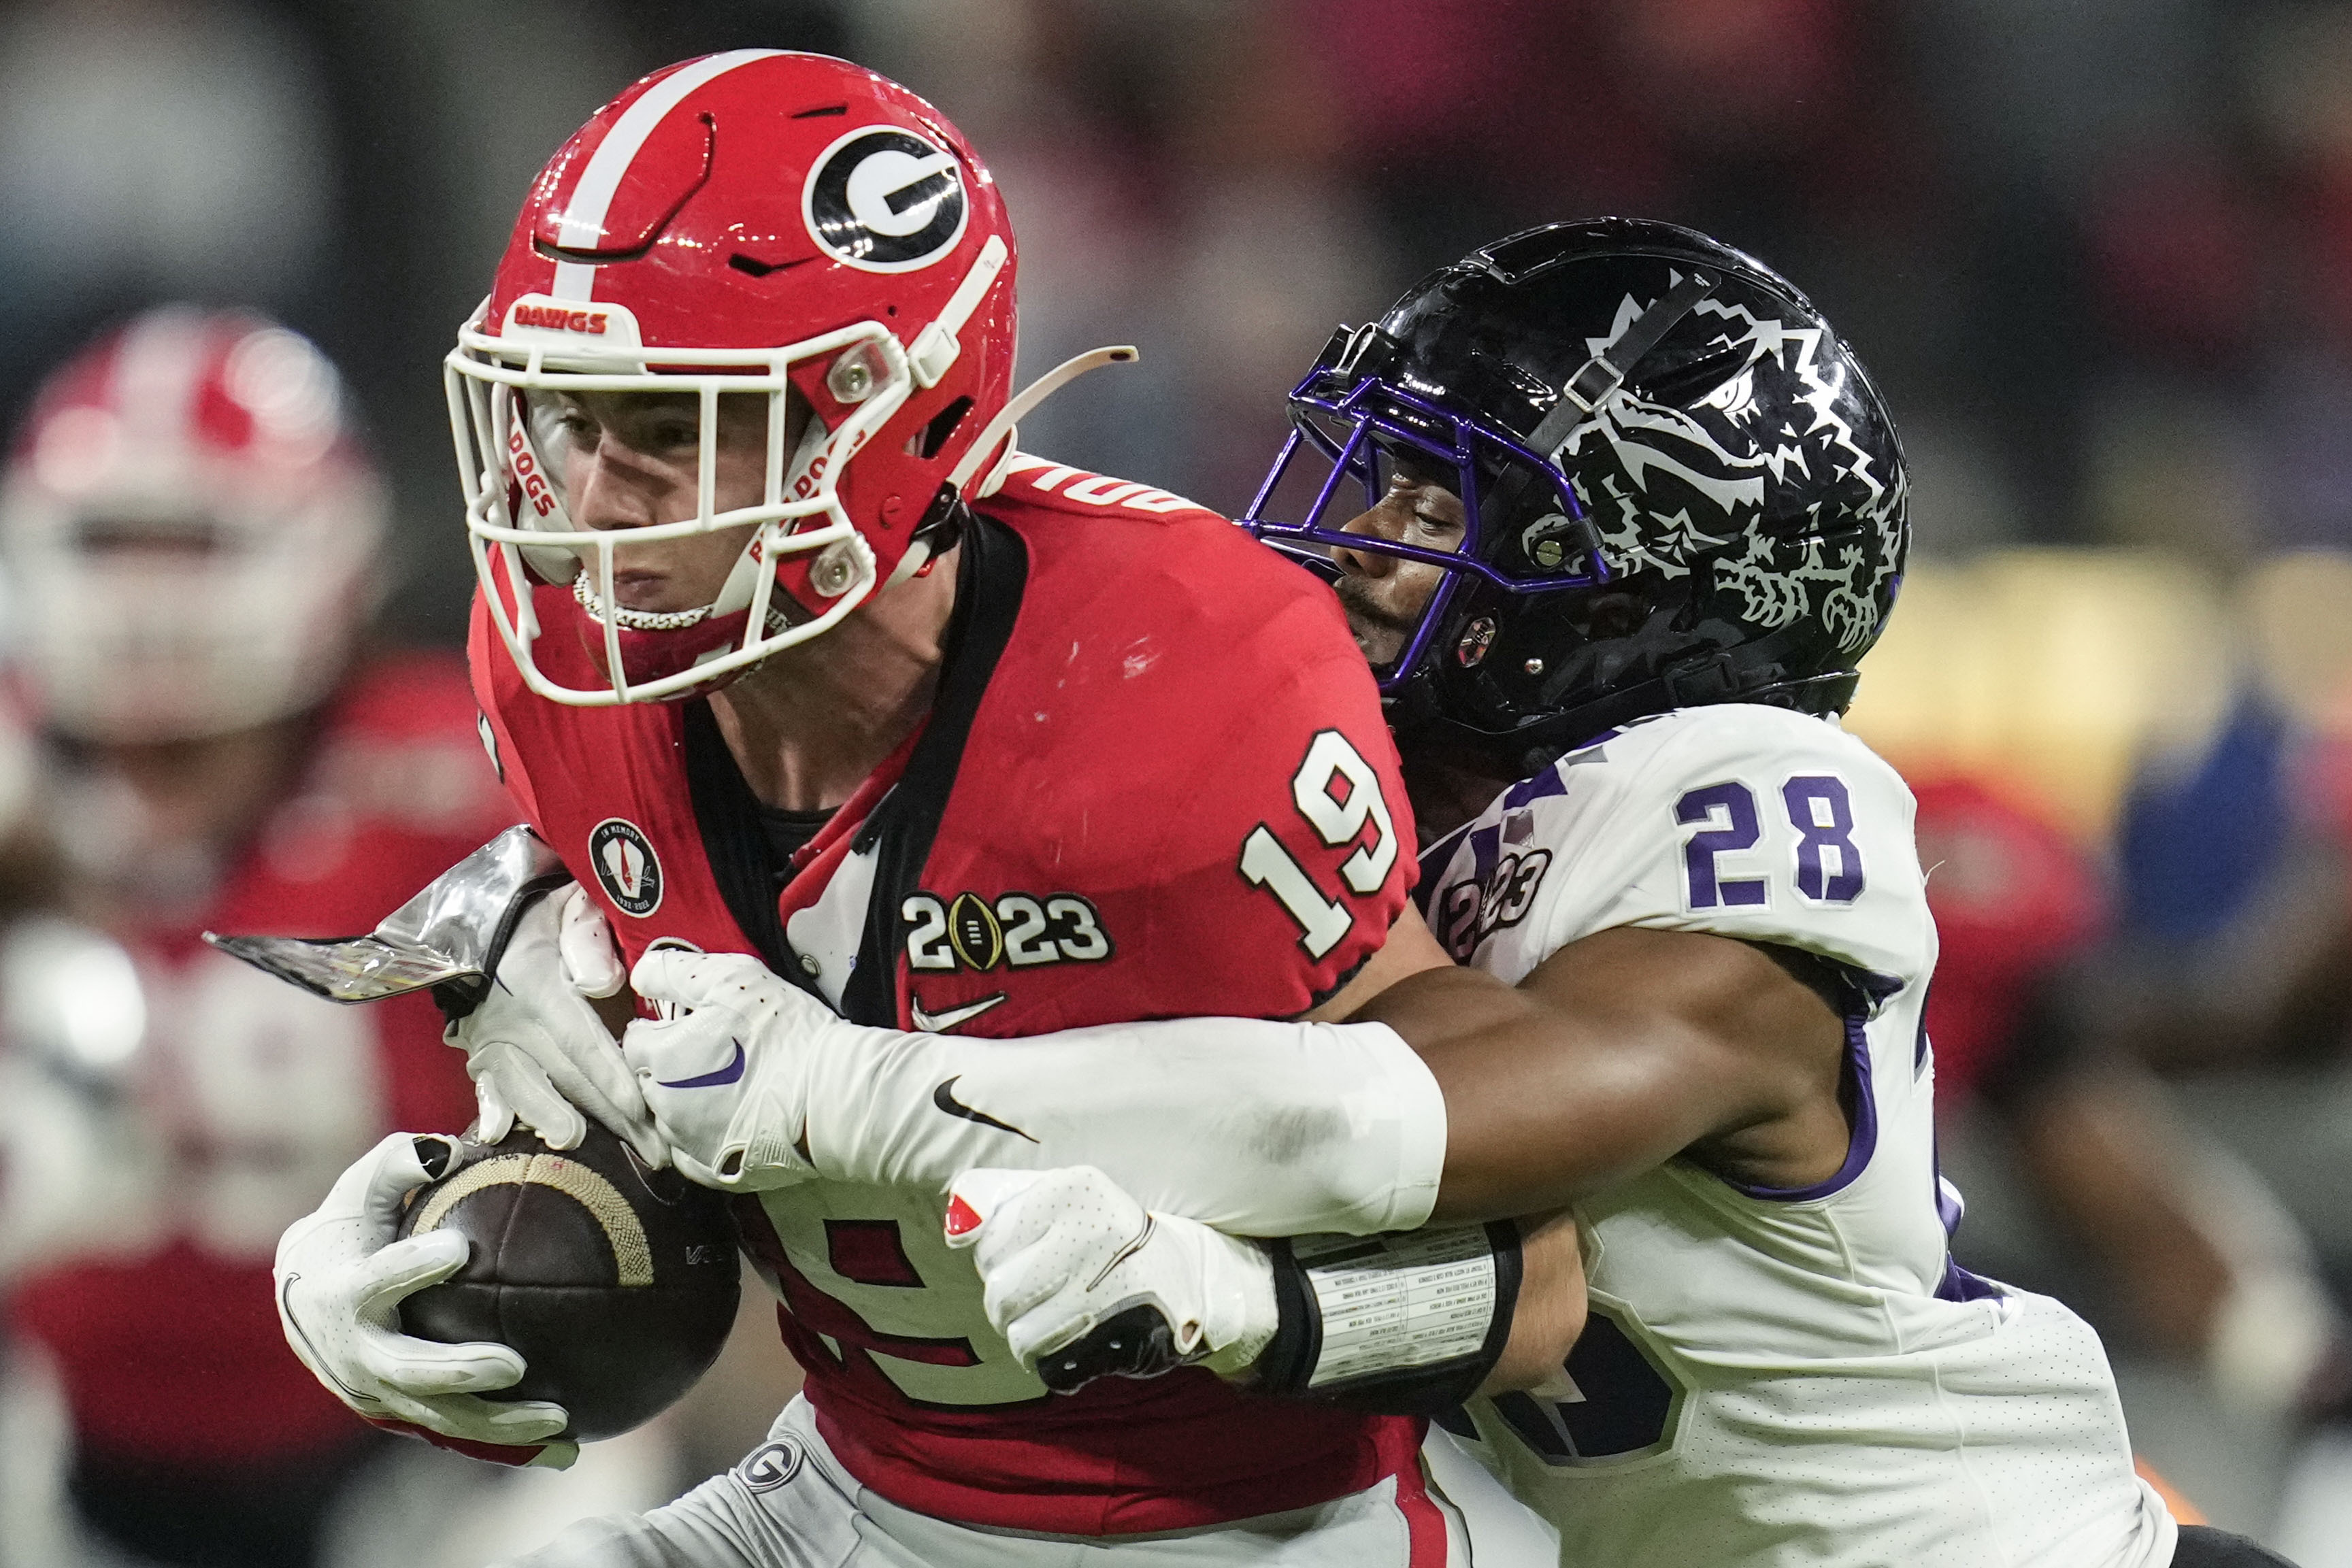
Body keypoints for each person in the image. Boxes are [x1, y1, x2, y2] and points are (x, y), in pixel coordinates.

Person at [605, 222, 2302, 1567]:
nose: (1351, 539)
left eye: (1439, 501)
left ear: (1636, 577)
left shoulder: (1736, 789)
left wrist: (875, 1098)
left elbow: (1445, 1114)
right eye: (1378, 479)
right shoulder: (1342, 804)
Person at [270, 50, 1559, 1568]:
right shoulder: (561, 665)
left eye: (669, 428)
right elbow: (681, 965)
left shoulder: (1173, 674)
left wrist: (1237, 1297)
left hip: (1248, 1521)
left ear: (881, 423)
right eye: (565, 417)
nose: (597, 504)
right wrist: (448, 1176)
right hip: (844, 1477)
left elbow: (1528, 1280)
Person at [0, 308, 511, 1567]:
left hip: (445, 1459)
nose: (145, 599)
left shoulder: (464, 785)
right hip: (68, 1446)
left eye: (194, 542)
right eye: (110, 542)